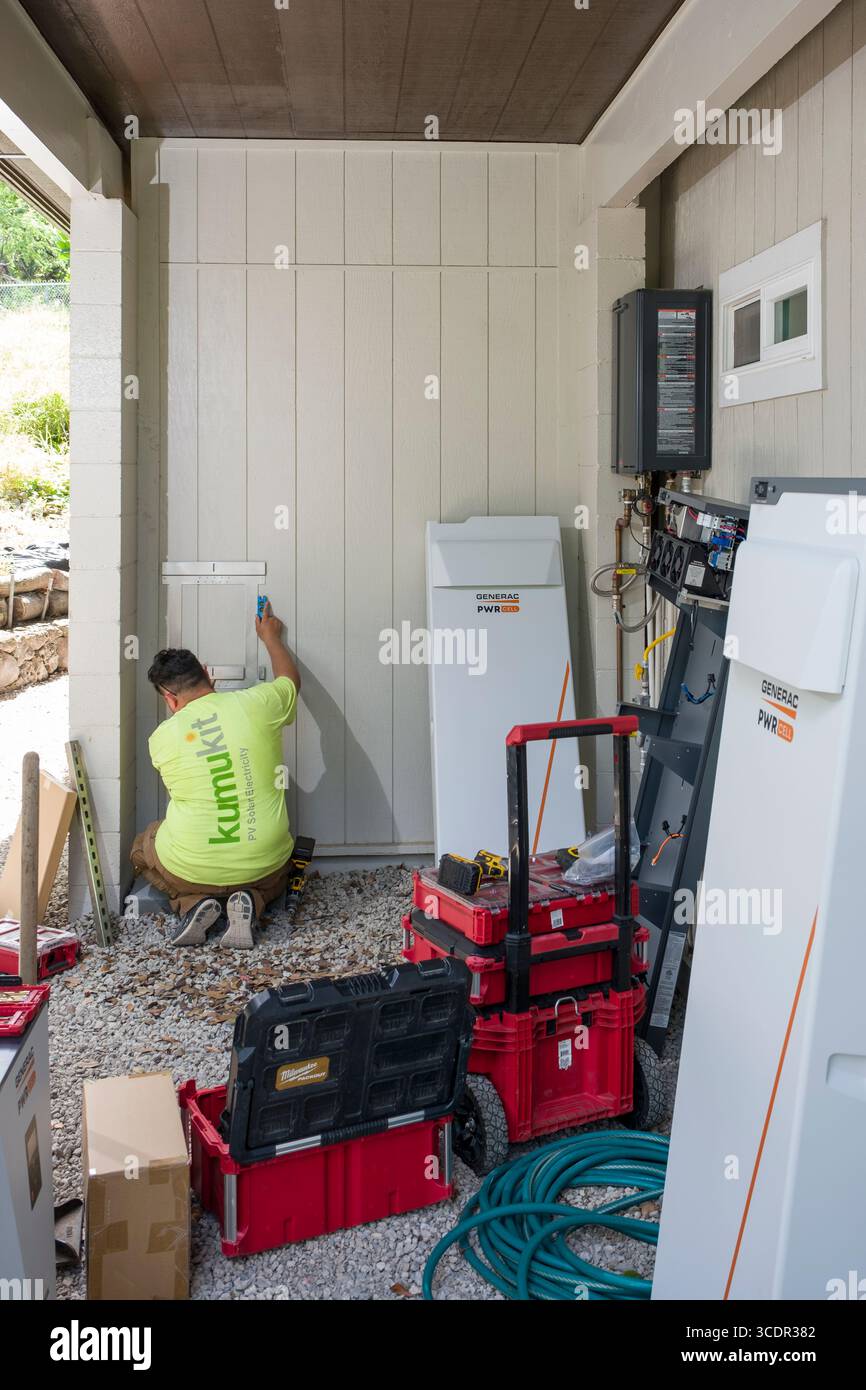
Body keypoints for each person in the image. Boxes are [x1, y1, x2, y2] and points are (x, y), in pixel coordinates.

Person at [130, 602, 301, 949]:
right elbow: (291, 682)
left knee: (141, 846)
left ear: (169, 698)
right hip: (264, 862)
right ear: (208, 673)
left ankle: (191, 903)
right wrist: (270, 637)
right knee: (276, 872)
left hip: (192, 867)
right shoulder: (259, 703)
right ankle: (252, 899)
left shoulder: (161, 739)